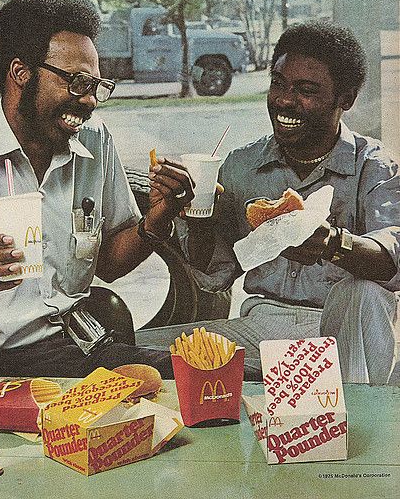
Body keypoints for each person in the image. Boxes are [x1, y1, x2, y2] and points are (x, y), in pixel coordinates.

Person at [0, 0, 193, 377]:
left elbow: (112, 265)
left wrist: (157, 219)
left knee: (221, 376)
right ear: (21, 72)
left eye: (97, 85)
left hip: (81, 349)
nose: (91, 101)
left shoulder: (94, 138)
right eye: (78, 83)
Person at [137, 21, 400, 384]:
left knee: (365, 291)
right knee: (133, 353)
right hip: (260, 329)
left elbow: (393, 260)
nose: (285, 101)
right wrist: (196, 214)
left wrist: (332, 243)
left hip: (341, 329)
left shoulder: (375, 166)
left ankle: (357, 418)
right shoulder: (241, 165)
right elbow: (214, 274)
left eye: (306, 90)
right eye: (278, 83)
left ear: (346, 99)